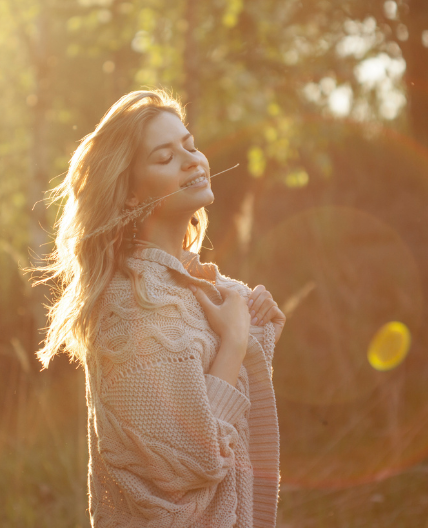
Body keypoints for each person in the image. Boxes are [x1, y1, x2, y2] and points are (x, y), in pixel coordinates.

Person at [35, 89, 287, 527]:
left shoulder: (200, 286)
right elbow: (188, 463)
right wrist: (234, 341)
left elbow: (217, 402)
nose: (193, 160)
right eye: (165, 157)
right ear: (131, 194)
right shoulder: (129, 308)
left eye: (190, 145)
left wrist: (256, 328)